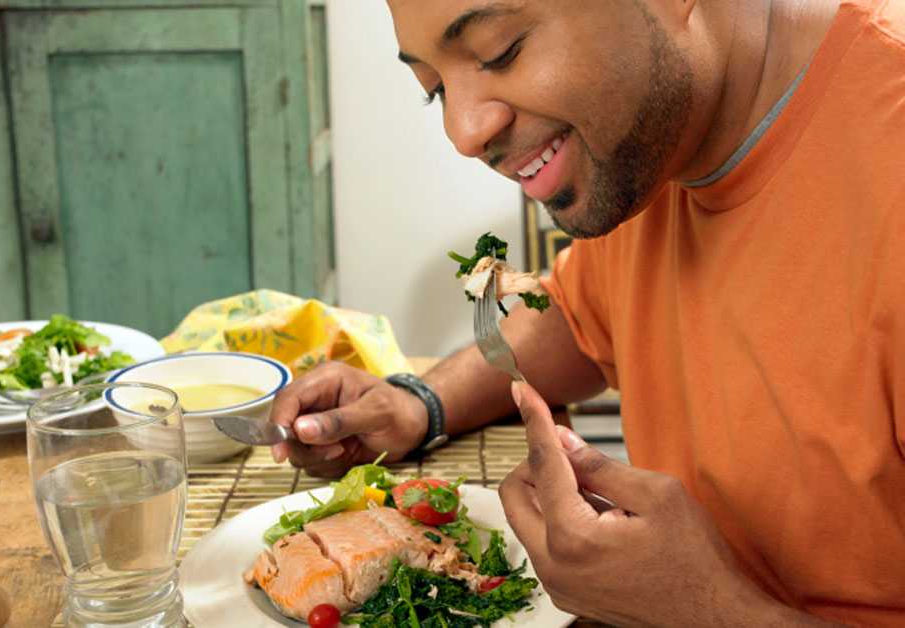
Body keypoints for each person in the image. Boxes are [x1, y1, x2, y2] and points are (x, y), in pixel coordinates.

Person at [269, 1, 905, 625]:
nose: (463, 133)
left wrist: (709, 611)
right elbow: (578, 319)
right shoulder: (654, 148)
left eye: (500, 51)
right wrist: (418, 405)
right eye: (434, 89)